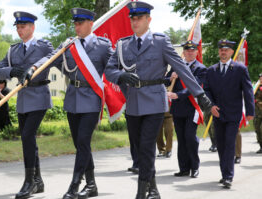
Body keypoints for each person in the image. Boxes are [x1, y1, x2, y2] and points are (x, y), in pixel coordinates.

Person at [104, 2, 212, 198]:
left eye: (139, 18)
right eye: (132, 18)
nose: (134, 22)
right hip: (133, 103)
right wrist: (120, 76)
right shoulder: (122, 44)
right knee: (139, 147)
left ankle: (141, 191)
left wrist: (200, 95)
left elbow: (181, 69)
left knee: (146, 146)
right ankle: (153, 189)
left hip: (154, 101)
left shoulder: (160, 42)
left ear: (148, 20)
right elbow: (109, 70)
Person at [34, 8, 113, 199]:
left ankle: (74, 185)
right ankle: (92, 185)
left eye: (80, 23)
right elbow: (52, 58)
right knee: (80, 144)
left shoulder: (103, 45)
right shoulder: (69, 44)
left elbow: (114, 66)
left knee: (84, 140)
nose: (76, 27)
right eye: (75, 23)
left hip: (92, 98)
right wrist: (35, 66)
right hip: (72, 98)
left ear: (90, 24)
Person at [0, 11, 54, 199]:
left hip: (39, 97)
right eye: (18, 27)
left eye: (23, 27)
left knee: (27, 136)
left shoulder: (44, 46)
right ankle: (38, 180)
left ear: (32, 27)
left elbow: (54, 56)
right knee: (29, 140)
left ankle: (28, 183)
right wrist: (11, 71)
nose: (20, 30)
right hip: (22, 99)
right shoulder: (13, 50)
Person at [204, 39, 255, 189]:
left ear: (232, 52)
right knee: (220, 144)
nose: (223, 52)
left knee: (229, 143)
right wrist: (211, 106)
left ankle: (228, 176)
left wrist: (250, 111)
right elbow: (206, 90)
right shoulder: (211, 70)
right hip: (217, 114)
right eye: (221, 50)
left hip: (233, 113)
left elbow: (247, 91)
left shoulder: (240, 69)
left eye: (226, 50)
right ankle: (224, 173)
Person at [166, 40, 207, 178]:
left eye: (192, 50)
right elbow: (166, 80)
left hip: (192, 107)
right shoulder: (177, 66)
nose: (189, 52)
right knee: (181, 139)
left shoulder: (201, 68)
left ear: (196, 52)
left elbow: (194, 87)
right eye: (187, 50)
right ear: (183, 52)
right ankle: (183, 168)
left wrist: (178, 95)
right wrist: (170, 77)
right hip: (178, 108)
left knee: (190, 137)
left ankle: (194, 167)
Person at [254, 73, 262, 153]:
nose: (261, 79)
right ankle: (261, 146)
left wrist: (257, 101)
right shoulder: (256, 87)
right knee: (257, 129)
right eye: (260, 77)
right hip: (257, 113)